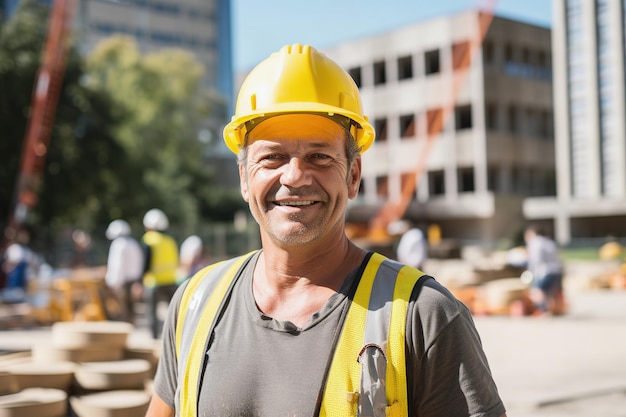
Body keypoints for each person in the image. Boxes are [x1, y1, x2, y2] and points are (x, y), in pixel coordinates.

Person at [146, 44, 507, 417]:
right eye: (272, 157)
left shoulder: (425, 316)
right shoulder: (194, 302)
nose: (294, 176)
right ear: (243, 177)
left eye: (319, 156)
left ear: (353, 176)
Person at [141, 208, 179, 339]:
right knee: (174, 313)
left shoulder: (148, 240)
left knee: (152, 312)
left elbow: (146, 263)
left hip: (154, 282)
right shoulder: (170, 241)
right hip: (171, 281)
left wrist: (140, 280)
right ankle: (175, 337)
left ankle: (154, 337)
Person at [104, 219, 145, 322]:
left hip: (122, 281)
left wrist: (113, 283)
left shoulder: (118, 245)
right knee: (131, 307)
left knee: (122, 309)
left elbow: (117, 266)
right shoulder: (133, 243)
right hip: (133, 280)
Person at [523, 224, 564, 315]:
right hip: (556, 269)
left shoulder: (535, 242)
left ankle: (544, 310)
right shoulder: (549, 242)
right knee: (551, 292)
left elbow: (535, 260)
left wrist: (530, 272)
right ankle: (556, 310)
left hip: (544, 271)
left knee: (537, 291)